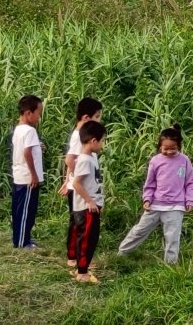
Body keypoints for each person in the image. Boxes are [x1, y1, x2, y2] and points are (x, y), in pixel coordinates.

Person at [118, 124, 193, 265]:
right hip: (155, 205)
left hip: (176, 206)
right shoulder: (155, 161)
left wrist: (190, 201)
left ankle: (170, 264)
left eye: (173, 148)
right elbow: (150, 183)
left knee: (173, 237)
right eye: (165, 149)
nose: (169, 151)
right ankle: (122, 254)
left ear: (179, 146)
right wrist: (147, 199)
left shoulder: (184, 161)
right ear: (159, 146)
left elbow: (191, 182)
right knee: (139, 230)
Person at [60, 97, 103, 268]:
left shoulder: (81, 134)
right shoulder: (80, 135)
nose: (99, 120)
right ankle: (74, 258)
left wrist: (67, 179)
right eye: (97, 116)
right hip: (80, 189)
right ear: (86, 117)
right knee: (78, 224)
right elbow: (70, 159)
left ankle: (76, 257)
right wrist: (73, 178)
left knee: (77, 223)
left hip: (78, 185)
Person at [68, 120, 107, 284]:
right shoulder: (84, 160)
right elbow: (76, 183)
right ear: (93, 141)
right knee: (86, 240)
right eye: (103, 141)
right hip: (86, 209)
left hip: (92, 206)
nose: (103, 144)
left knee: (90, 238)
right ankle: (82, 273)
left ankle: (81, 268)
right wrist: (90, 202)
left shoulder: (90, 158)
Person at [10, 94, 44, 249]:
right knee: (26, 212)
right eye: (38, 113)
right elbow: (27, 153)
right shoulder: (30, 131)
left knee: (19, 210)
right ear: (28, 113)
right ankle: (23, 242)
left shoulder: (18, 129)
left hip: (19, 175)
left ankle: (21, 238)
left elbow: (26, 149)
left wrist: (39, 146)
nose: (39, 117)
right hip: (28, 178)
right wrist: (34, 175)